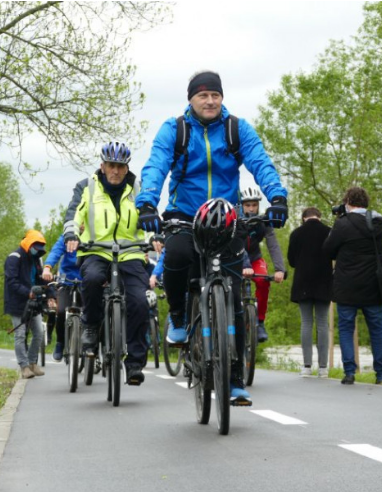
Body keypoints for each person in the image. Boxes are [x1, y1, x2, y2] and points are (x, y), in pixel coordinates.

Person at [136, 70, 288, 405]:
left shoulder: (236, 129)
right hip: (184, 214)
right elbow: (156, 165)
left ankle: (233, 380)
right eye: (202, 96)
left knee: (234, 296)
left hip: (225, 217)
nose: (210, 101)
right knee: (175, 255)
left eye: (215, 95)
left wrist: (277, 197)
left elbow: (261, 162)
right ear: (191, 99)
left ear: (221, 98)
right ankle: (178, 316)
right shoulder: (175, 129)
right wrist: (147, 202)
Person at [65, 142, 150, 386]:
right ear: (102, 166)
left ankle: (134, 363)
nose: (115, 171)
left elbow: (149, 214)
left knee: (140, 301)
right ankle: (91, 325)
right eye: (111, 166)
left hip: (130, 252)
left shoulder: (138, 188)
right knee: (91, 279)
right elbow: (73, 213)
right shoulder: (87, 187)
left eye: (120, 167)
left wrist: (155, 236)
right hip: (96, 250)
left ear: (126, 168)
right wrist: (71, 234)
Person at [323, 187, 382, 385]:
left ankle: (350, 371)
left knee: (345, 327)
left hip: (347, 284)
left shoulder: (343, 224)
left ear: (348, 201)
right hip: (373, 284)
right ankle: (381, 373)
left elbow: (328, 250)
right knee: (377, 329)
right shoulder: (377, 223)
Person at [287, 207, 333, 378]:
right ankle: (323, 368)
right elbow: (334, 254)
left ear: (303, 218)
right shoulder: (329, 232)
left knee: (306, 322)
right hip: (324, 282)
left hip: (303, 282)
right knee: (322, 324)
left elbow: (292, 261)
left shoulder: (296, 233)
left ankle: (306, 366)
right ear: (319, 217)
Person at [5, 230, 55, 379]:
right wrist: (28, 292)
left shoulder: (37, 259)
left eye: (40, 248)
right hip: (18, 303)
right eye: (36, 246)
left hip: (34, 303)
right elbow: (11, 282)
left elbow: (43, 280)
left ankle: (33, 363)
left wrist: (51, 295)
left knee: (39, 333)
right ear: (28, 243)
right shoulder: (14, 258)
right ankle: (24, 366)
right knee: (20, 335)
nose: (37, 250)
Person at [239, 186, 286, 343]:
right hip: (237, 258)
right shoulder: (235, 221)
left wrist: (280, 269)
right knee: (233, 287)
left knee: (263, 281)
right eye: (248, 205)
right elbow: (238, 244)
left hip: (255, 258)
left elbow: (272, 244)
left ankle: (259, 322)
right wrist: (245, 265)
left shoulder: (263, 221)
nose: (251, 208)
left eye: (254, 205)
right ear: (241, 205)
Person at [42, 232, 83, 362]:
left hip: (86, 280)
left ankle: (93, 344)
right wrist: (47, 268)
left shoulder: (93, 234)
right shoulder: (66, 236)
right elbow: (55, 252)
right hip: (67, 280)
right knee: (60, 311)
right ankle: (60, 342)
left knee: (93, 311)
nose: (81, 225)